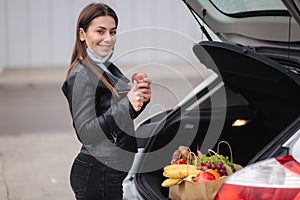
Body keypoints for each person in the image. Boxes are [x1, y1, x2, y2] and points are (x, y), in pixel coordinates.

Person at [62, 3, 151, 200]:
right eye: (100, 31)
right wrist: (127, 104)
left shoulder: (105, 67)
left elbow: (119, 118)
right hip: (97, 172)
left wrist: (139, 99)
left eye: (113, 32)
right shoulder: (81, 76)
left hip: (111, 170)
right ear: (82, 34)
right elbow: (86, 132)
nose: (108, 39)